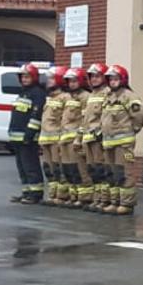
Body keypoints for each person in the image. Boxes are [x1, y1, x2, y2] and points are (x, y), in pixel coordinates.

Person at [97, 65, 143, 215]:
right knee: (113, 173)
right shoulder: (109, 97)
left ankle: (127, 203)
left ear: (122, 80)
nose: (112, 82)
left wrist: (134, 129)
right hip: (108, 143)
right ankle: (115, 201)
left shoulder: (129, 96)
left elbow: (138, 115)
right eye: (110, 79)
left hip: (124, 144)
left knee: (126, 172)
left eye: (115, 79)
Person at [5, 63, 47, 204]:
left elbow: (36, 116)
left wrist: (29, 134)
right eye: (22, 76)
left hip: (28, 137)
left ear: (34, 77)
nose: (24, 79)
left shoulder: (38, 93)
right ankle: (26, 191)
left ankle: (35, 194)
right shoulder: (23, 93)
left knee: (30, 166)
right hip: (17, 136)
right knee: (22, 167)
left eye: (27, 76)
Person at [79, 65, 112, 213]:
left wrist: (101, 134)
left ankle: (105, 200)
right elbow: (85, 119)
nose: (94, 79)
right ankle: (97, 199)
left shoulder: (107, 93)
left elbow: (106, 117)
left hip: (98, 139)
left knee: (101, 169)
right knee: (93, 170)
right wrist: (79, 138)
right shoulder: (92, 95)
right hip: (88, 139)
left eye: (97, 76)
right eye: (92, 76)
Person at [54, 67, 88, 208]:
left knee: (80, 170)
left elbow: (85, 119)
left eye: (74, 81)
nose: (72, 84)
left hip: (75, 139)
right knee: (69, 170)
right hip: (65, 139)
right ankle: (73, 196)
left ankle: (84, 198)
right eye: (70, 81)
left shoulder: (86, 97)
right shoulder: (68, 97)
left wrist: (79, 138)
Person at [38, 66, 68, 206]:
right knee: (48, 169)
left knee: (58, 168)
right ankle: (52, 194)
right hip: (46, 138)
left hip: (57, 139)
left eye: (51, 78)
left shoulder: (65, 98)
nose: (48, 81)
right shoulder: (49, 97)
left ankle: (61, 196)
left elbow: (65, 120)